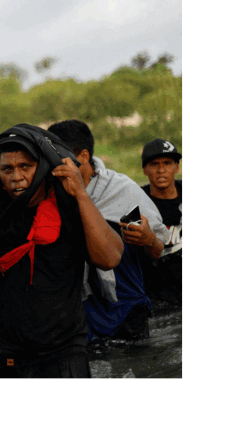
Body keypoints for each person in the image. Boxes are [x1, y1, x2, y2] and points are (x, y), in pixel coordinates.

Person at [0, 123, 123, 378]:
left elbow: (110, 258)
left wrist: (82, 196)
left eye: (25, 167)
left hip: (64, 354)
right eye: (7, 169)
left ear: (42, 168)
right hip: (2, 355)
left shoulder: (68, 205)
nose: (16, 176)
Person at [47, 120, 168, 342]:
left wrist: (149, 239)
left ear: (83, 156)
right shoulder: (49, 195)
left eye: (58, 157)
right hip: (77, 314)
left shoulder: (120, 191)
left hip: (126, 310)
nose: (52, 165)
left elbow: (158, 250)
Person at [139, 138, 182, 305]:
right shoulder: (135, 200)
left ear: (177, 167)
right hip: (156, 295)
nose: (161, 170)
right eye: (154, 164)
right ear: (145, 169)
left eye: (167, 163)